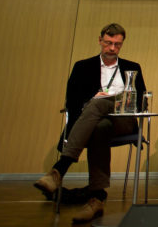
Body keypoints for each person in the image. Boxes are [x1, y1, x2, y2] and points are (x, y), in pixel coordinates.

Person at [34, 23, 146, 223]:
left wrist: (111, 100)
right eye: (108, 43)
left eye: (117, 44)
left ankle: (60, 169)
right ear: (100, 40)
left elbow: (140, 101)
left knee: (99, 104)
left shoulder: (132, 67)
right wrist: (92, 98)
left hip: (123, 120)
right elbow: (72, 101)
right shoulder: (82, 66)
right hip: (94, 122)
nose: (112, 48)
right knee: (99, 123)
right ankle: (97, 198)